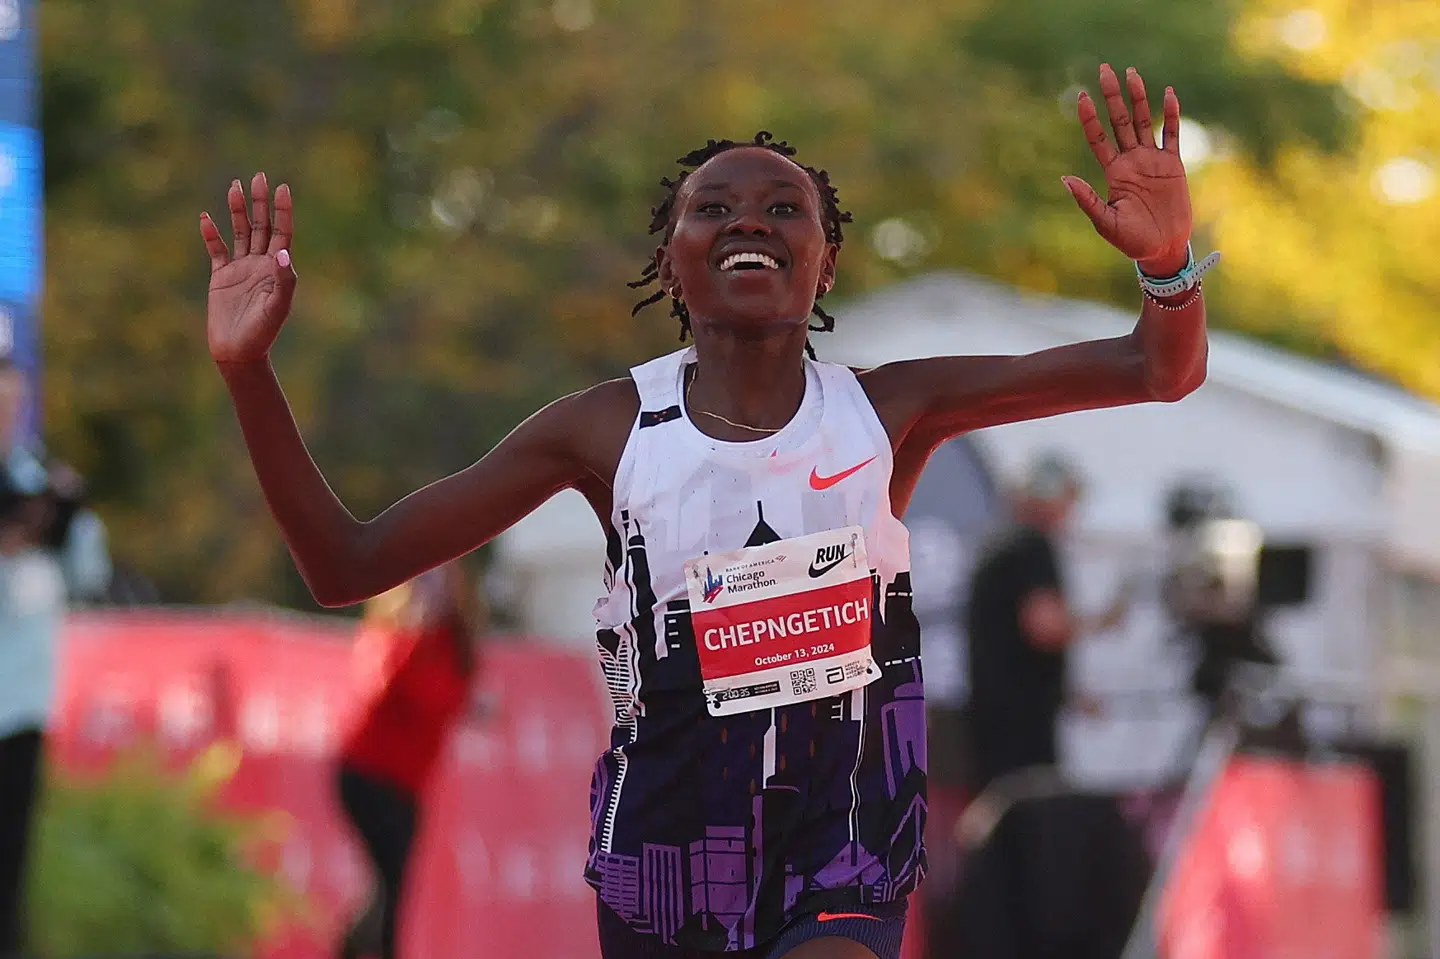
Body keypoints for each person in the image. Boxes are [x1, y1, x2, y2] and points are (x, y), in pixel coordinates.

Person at [199, 63, 1209, 959]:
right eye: (712, 207)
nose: (750, 221)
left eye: (784, 207)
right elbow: (345, 562)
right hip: (670, 847)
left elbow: (1157, 368)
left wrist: (1168, 266)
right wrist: (248, 372)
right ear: (670, 260)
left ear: (826, 260)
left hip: (842, 832)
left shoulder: (892, 409)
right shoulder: (602, 429)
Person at [0, 357, 112, 959]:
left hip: (18, 700)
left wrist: (64, 519)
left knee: (10, 865)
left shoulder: (36, 478)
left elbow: (89, 574)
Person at [334, 560, 484, 959]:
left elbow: (451, 695)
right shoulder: (394, 634)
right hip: (370, 774)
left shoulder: (455, 641)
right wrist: (411, 630)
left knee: (389, 889)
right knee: (390, 886)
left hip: (407, 785)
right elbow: (385, 688)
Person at [962, 453, 1130, 794]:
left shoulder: (1001, 544)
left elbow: (1010, 645)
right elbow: (1043, 627)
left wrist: (1067, 694)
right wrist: (1103, 622)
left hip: (995, 719)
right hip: (1020, 728)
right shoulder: (1030, 546)